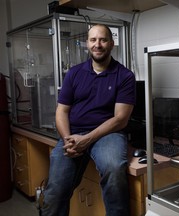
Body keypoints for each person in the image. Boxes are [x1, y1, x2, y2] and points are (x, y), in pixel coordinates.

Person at [40, 24, 136, 216]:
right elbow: (61, 111)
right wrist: (68, 140)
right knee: (55, 190)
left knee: (114, 169)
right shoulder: (74, 73)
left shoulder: (125, 76)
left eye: (103, 40)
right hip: (73, 134)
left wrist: (87, 139)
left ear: (111, 43)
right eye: (93, 40)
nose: (97, 45)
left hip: (108, 134)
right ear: (87, 44)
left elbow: (120, 119)